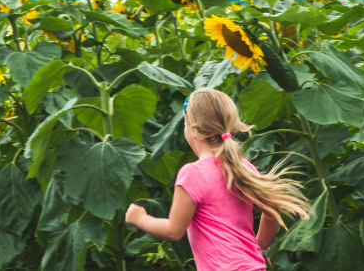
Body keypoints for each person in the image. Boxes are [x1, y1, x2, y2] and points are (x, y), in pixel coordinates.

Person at [125, 88, 312, 271]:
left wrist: (141, 218)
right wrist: (260, 249)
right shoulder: (243, 167)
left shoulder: (193, 173)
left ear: (193, 128)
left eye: (184, 124)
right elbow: (272, 210)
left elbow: (174, 231)